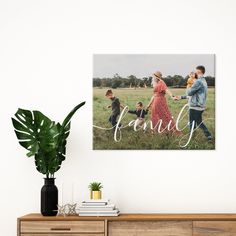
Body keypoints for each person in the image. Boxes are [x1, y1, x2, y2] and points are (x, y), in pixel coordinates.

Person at [175, 66, 212, 140]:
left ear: (199, 72)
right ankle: (208, 135)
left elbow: (189, 92)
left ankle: (191, 137)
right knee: (198, 122)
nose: (194, 74)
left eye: (195, 72)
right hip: (200, 106)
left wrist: (188, 84)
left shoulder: (198, 81)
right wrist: (181, 97)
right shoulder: (204, 81)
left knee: (192, 122)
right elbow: (195, 94)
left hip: (195, 106)